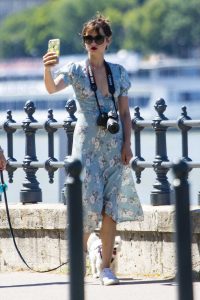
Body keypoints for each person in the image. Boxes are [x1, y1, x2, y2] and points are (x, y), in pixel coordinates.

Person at [43, 13, 143, 286]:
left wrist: (127, 144)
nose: (93, 43)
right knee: (84, 207)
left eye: (98, 38)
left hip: (113, 149)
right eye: (88, 38)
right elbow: (52, 89)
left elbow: (124, 114)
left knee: (111, 209)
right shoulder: (76, 70)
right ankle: (95, 246)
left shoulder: (119, 73)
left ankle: (106, 268)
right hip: (85, 148)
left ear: (108, 41)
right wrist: (47, 68)